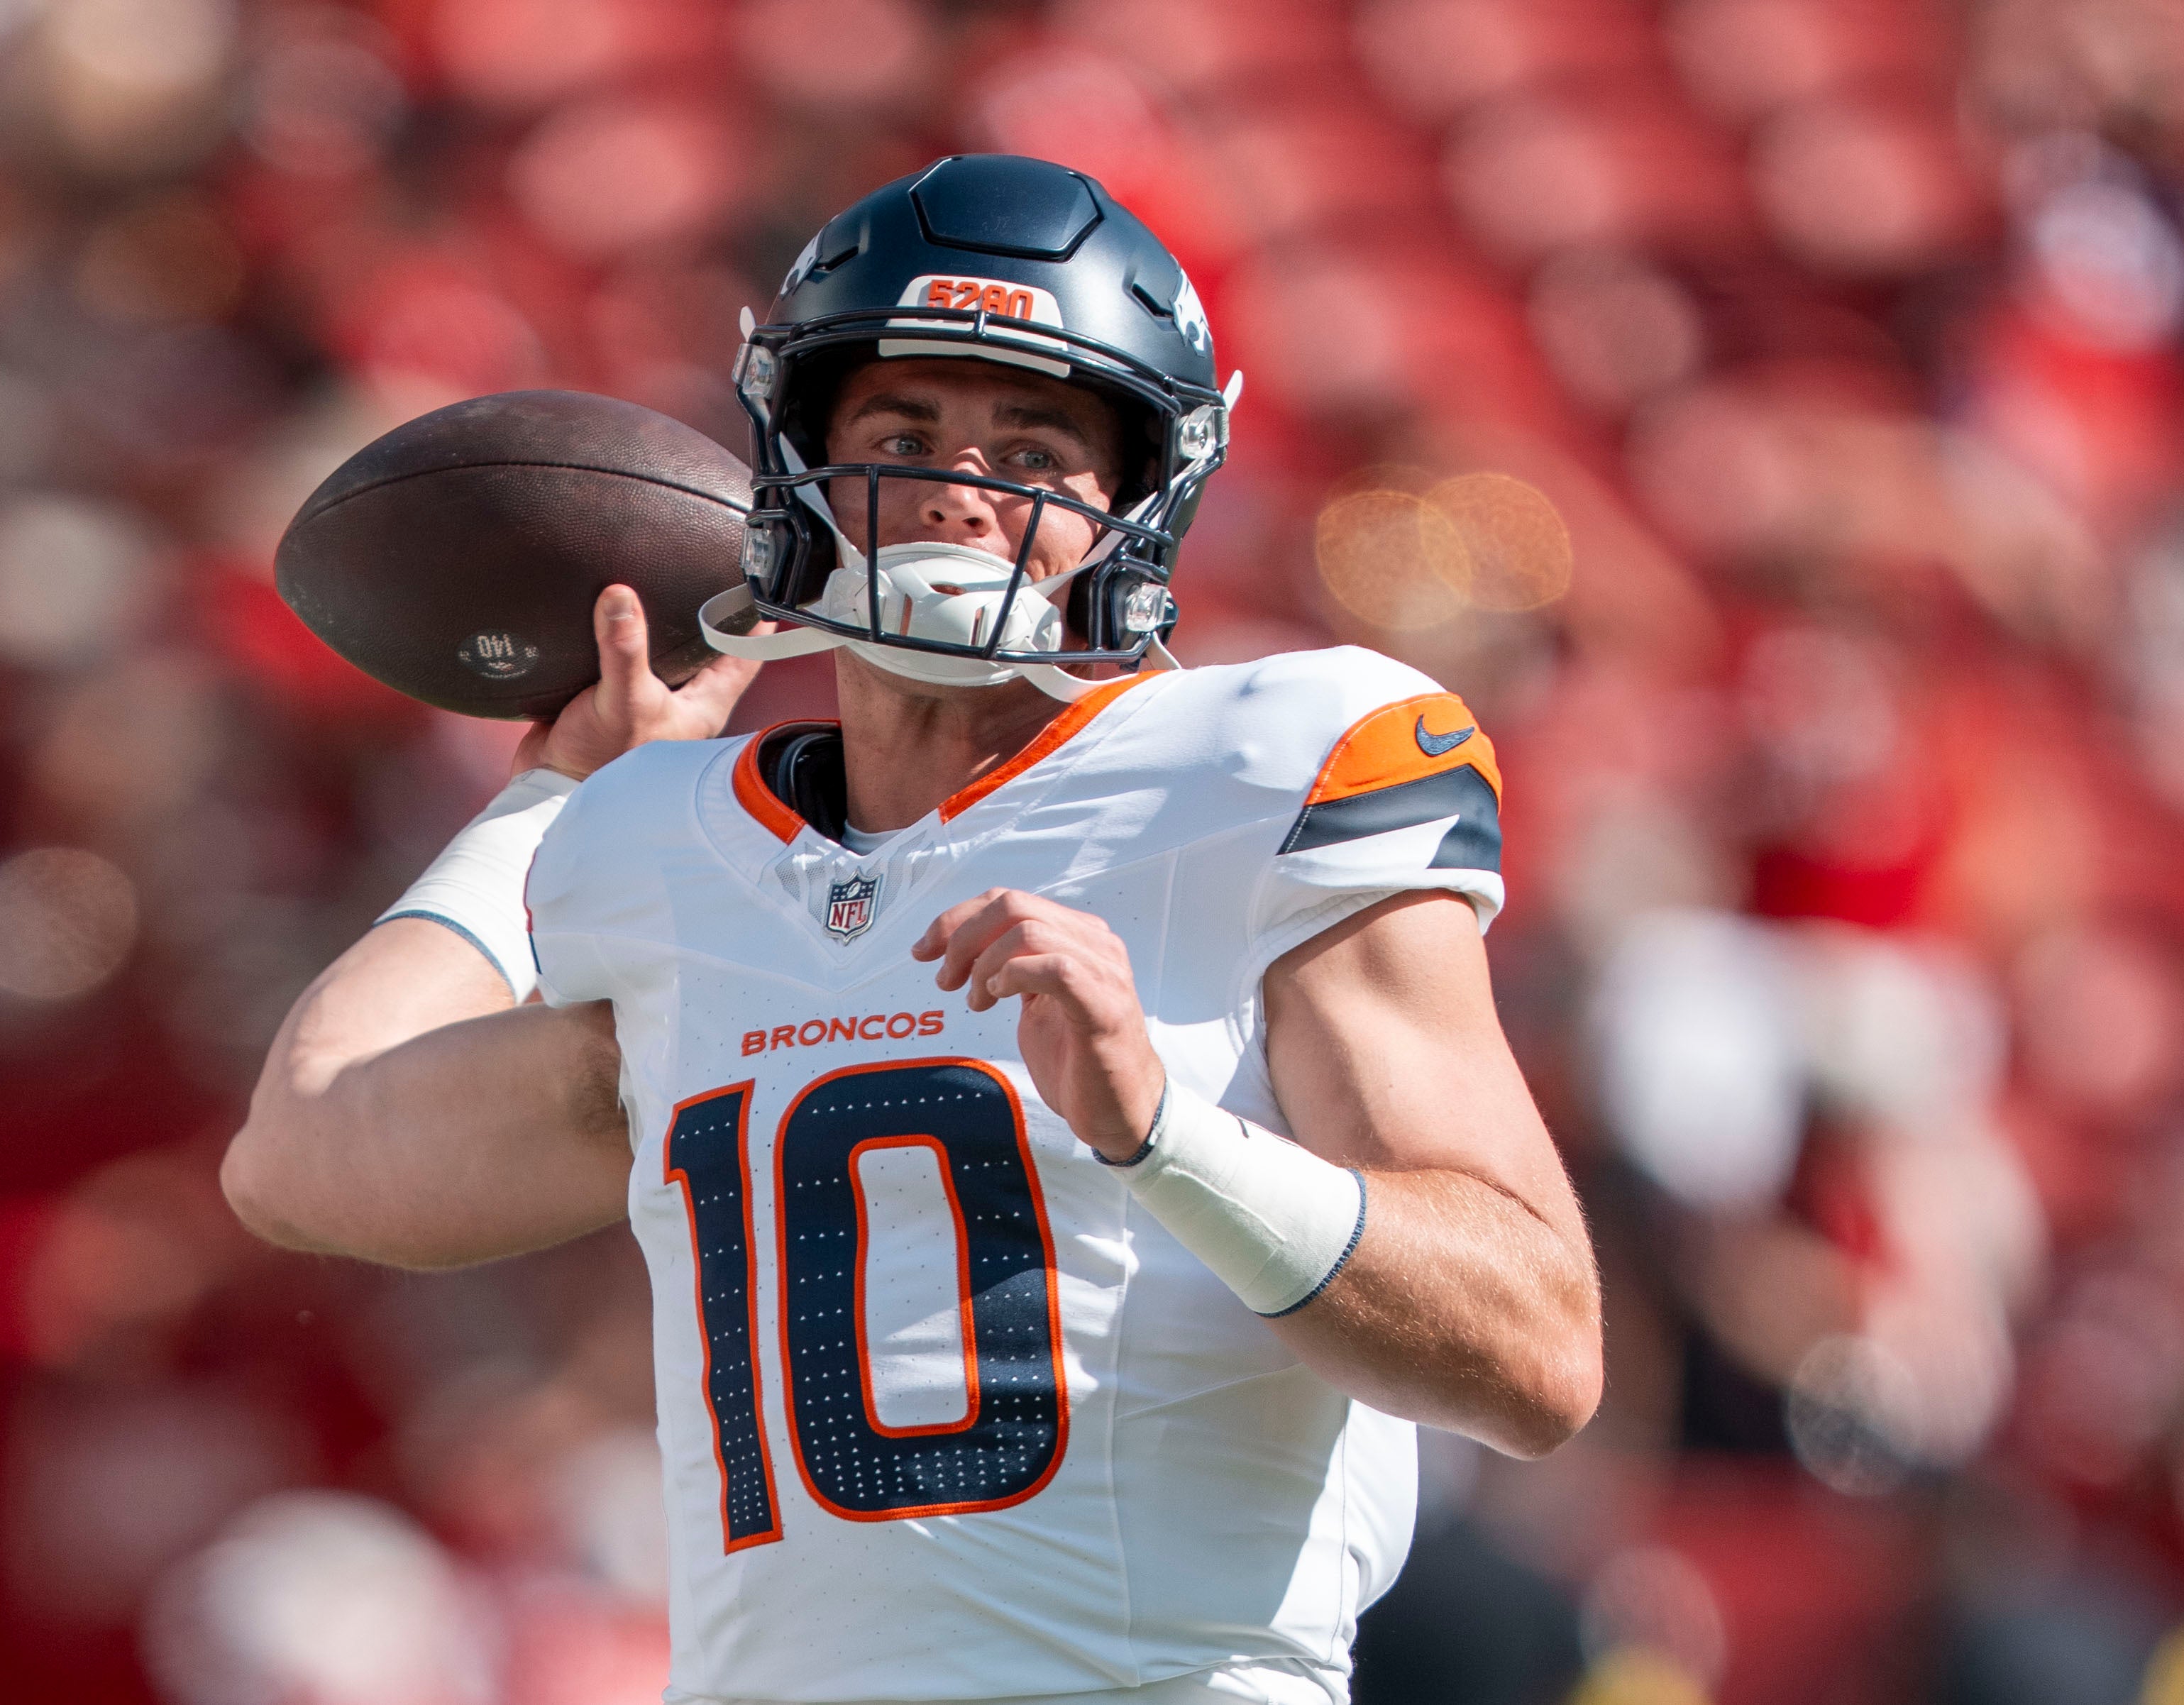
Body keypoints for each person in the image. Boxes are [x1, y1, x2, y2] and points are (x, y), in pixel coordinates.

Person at [221, 155, 1603, 1705]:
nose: (960, 486)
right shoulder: (666, 846)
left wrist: (1167, 1137)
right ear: (794, 461)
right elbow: (304, 1146)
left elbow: (1535, 1351)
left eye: (1032, 442)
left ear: (1138, 498)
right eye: (903, 431)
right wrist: (549, 790)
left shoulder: (1273, 760)